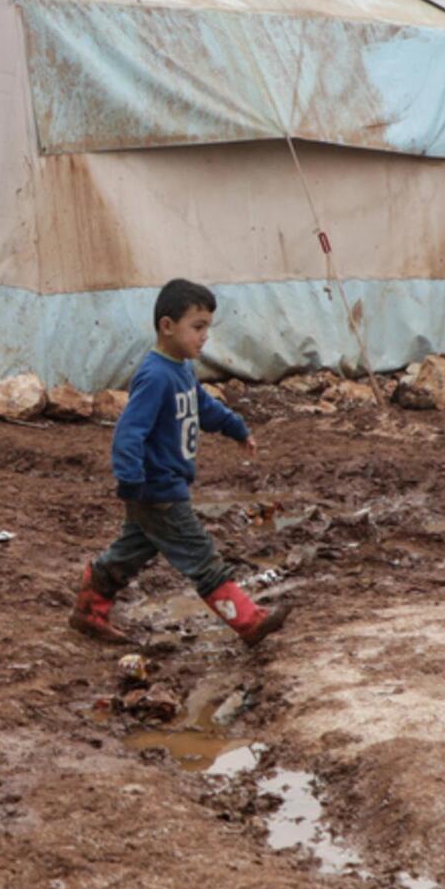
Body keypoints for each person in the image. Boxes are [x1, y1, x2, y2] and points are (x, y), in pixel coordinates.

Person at [70, 278, 291, 648]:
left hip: (160, 487)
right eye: (197, 327)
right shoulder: (155, 375)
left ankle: (89, 611)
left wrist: (235, 427)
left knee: (132, 551)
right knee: (200, 555)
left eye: (207, 327)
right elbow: (129, 432)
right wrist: (129, 480)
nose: (204, 337)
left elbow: (203, 407)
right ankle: (250, 622)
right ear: (167, 326)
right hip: (158, 488)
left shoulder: (182, 370)